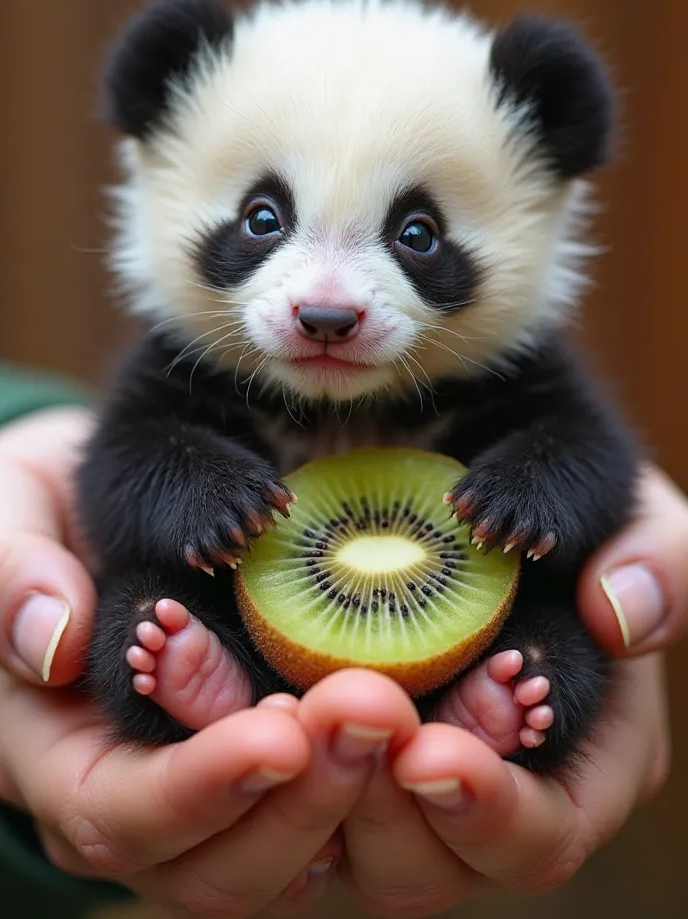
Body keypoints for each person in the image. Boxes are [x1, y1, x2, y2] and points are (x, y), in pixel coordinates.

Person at [0, 359, 684, 918]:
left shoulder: (517, 362)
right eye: (266, 221)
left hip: (476, 634)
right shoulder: (189, 356)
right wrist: (195, 493)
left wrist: (539, 492)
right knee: (139, 613)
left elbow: (585, 462)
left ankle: (504, 699)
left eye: (414, 236)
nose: (328, 301)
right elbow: (121, 479)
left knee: (553, 651)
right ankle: (208, 685)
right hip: (238, 616)